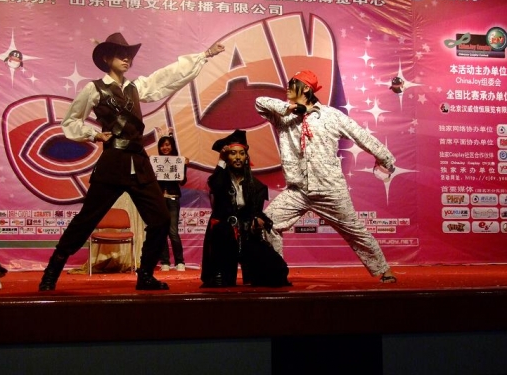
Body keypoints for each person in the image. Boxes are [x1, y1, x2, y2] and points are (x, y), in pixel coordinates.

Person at [38, 32, 225, 291]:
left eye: (128, 55)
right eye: (120, 54)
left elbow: (168, 76)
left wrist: (204, 56)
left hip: (139, 161)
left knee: (161, 219)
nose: (126, 59)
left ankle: (145, 275)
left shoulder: (136, 88)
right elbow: (70, 121)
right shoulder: (94, 89)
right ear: (106, 58)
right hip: (113, 162)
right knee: (86, 221)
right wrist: (93, 134)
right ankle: (51, 273)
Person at [255, 70, 397, 283]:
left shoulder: (331, 115)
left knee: (355, 230)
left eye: (292, 84)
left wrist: (386, 159)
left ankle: (384, 270)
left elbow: (361, 136)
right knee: (267, 223)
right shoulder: (283, 115)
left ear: (305, 88)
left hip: (330, 189)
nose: (287, 88)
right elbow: (259, 102)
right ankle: (276, 273)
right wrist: (292, 108)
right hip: (297, 191)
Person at [200, 129, 291, 288]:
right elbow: (215, 184)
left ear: (246, 158)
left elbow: (256, 211)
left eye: (241, 153)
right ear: (227, 157)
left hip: (247, 235)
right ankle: (222, 273)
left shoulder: (256, 186)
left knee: (278, 271)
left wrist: (259, 220)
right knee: (224, 282)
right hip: (224, 237)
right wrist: (220, 160)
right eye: (233, 153)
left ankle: (253, 273)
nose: (237, 157)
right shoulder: (220, 180)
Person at [156, 130, 187, 272]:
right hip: (160, 199)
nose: (165, 148)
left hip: (173, 198)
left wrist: (183, 166)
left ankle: (180, 261)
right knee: (161, 231)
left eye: (168, 145)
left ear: (172, 146)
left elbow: (182, 181)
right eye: (162, 145)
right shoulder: (156, 162)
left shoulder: (178, 162)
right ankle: (165, 262)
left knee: (173, 231)